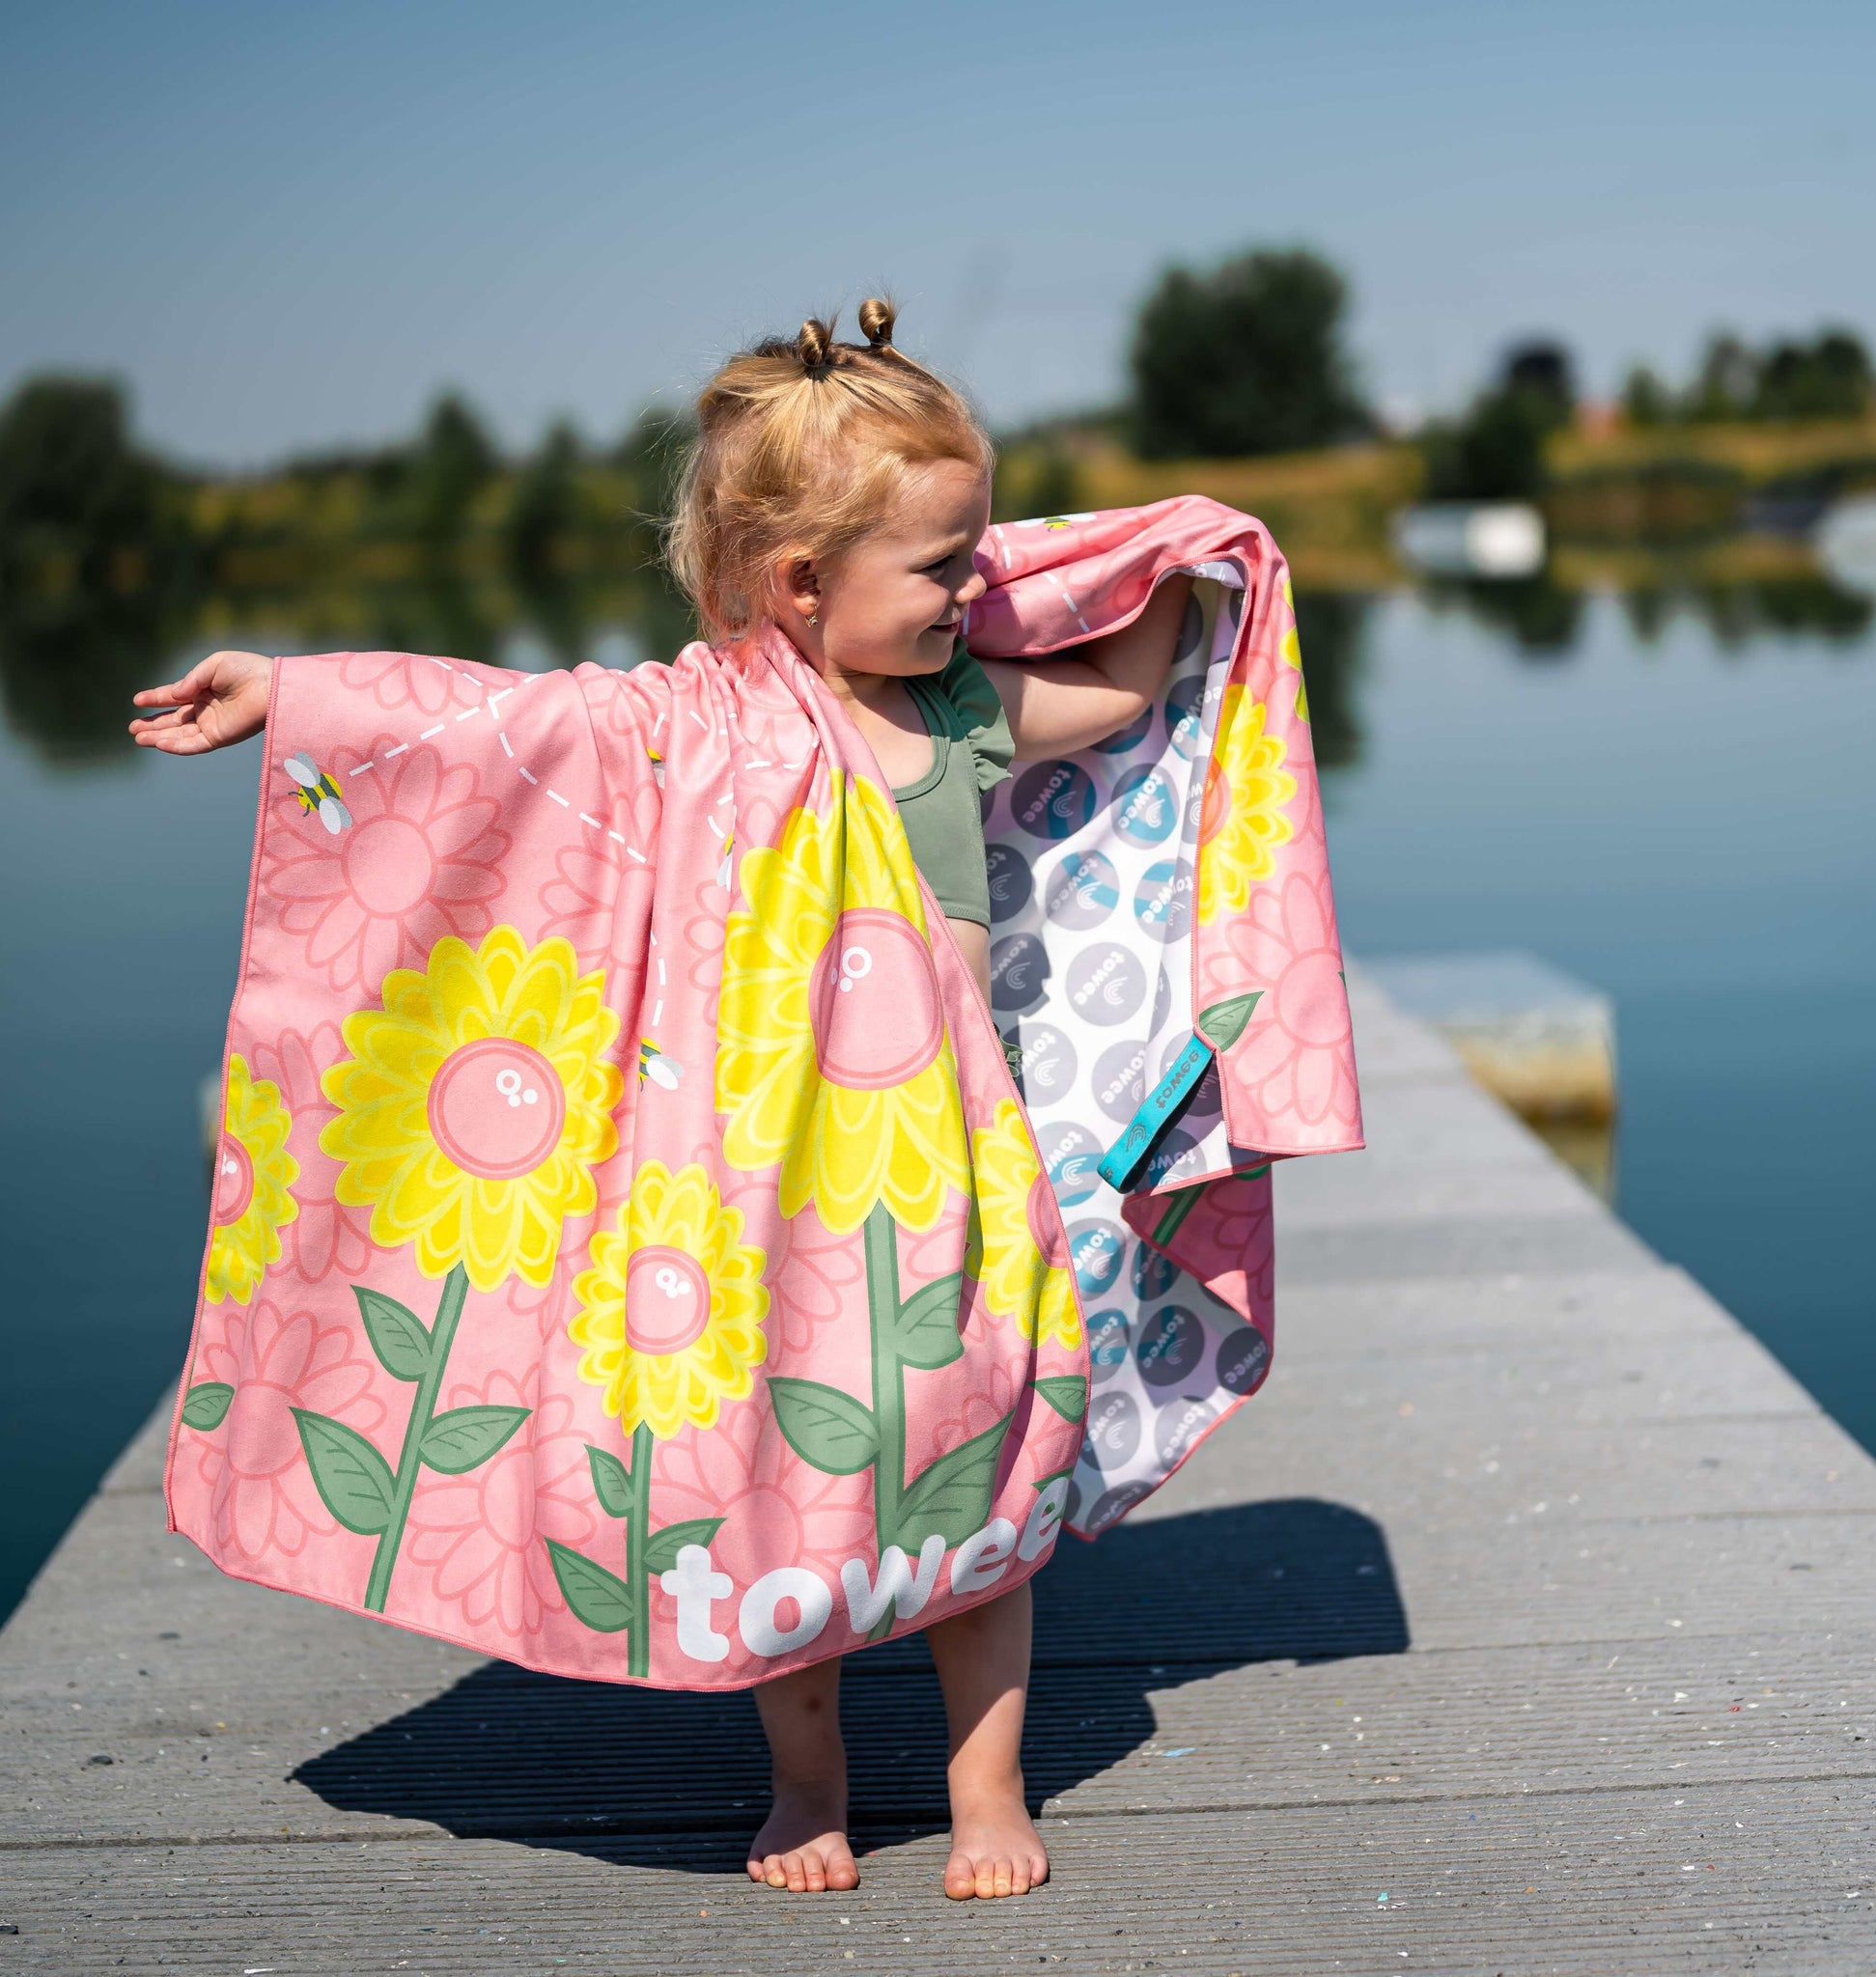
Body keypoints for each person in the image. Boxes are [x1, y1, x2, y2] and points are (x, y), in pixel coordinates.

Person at [130, 298, 1187, 1901]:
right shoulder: (701, 725)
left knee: (974, 1466)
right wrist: (296, 692)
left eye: (978, 551)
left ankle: (987, 1791)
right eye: (942, 563)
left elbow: (1110, 695)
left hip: (949, 1167)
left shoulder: (961, 710)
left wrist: (1197, 560)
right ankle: (807, 1783)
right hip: (761, 1177)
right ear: (800, 584)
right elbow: (507, 719)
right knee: (763, 1477)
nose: (975, 586)